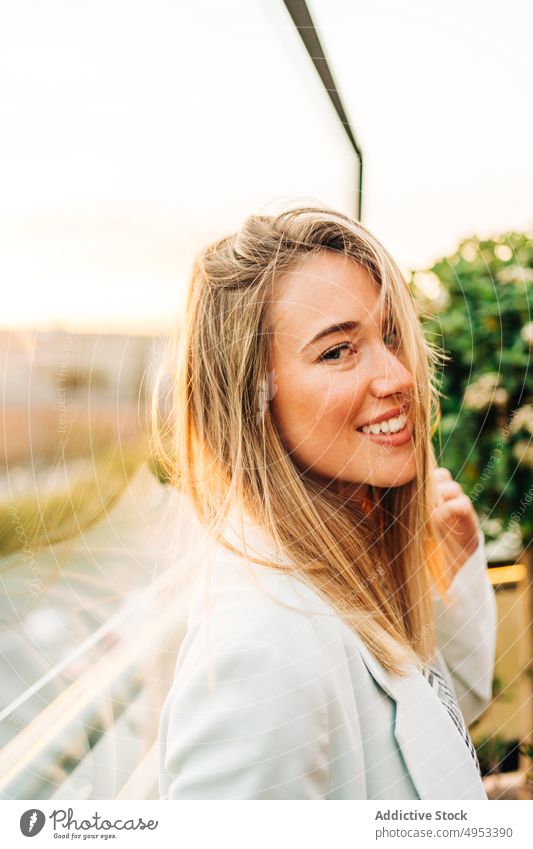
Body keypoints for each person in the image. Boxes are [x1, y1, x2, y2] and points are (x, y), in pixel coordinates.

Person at [155, 206, 497, 800]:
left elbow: (434, 732)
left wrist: (454, 566)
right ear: (252, 398)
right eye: (338, 351)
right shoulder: (261, 652)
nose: (397, 374)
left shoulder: (349, 553)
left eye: (391, 334)